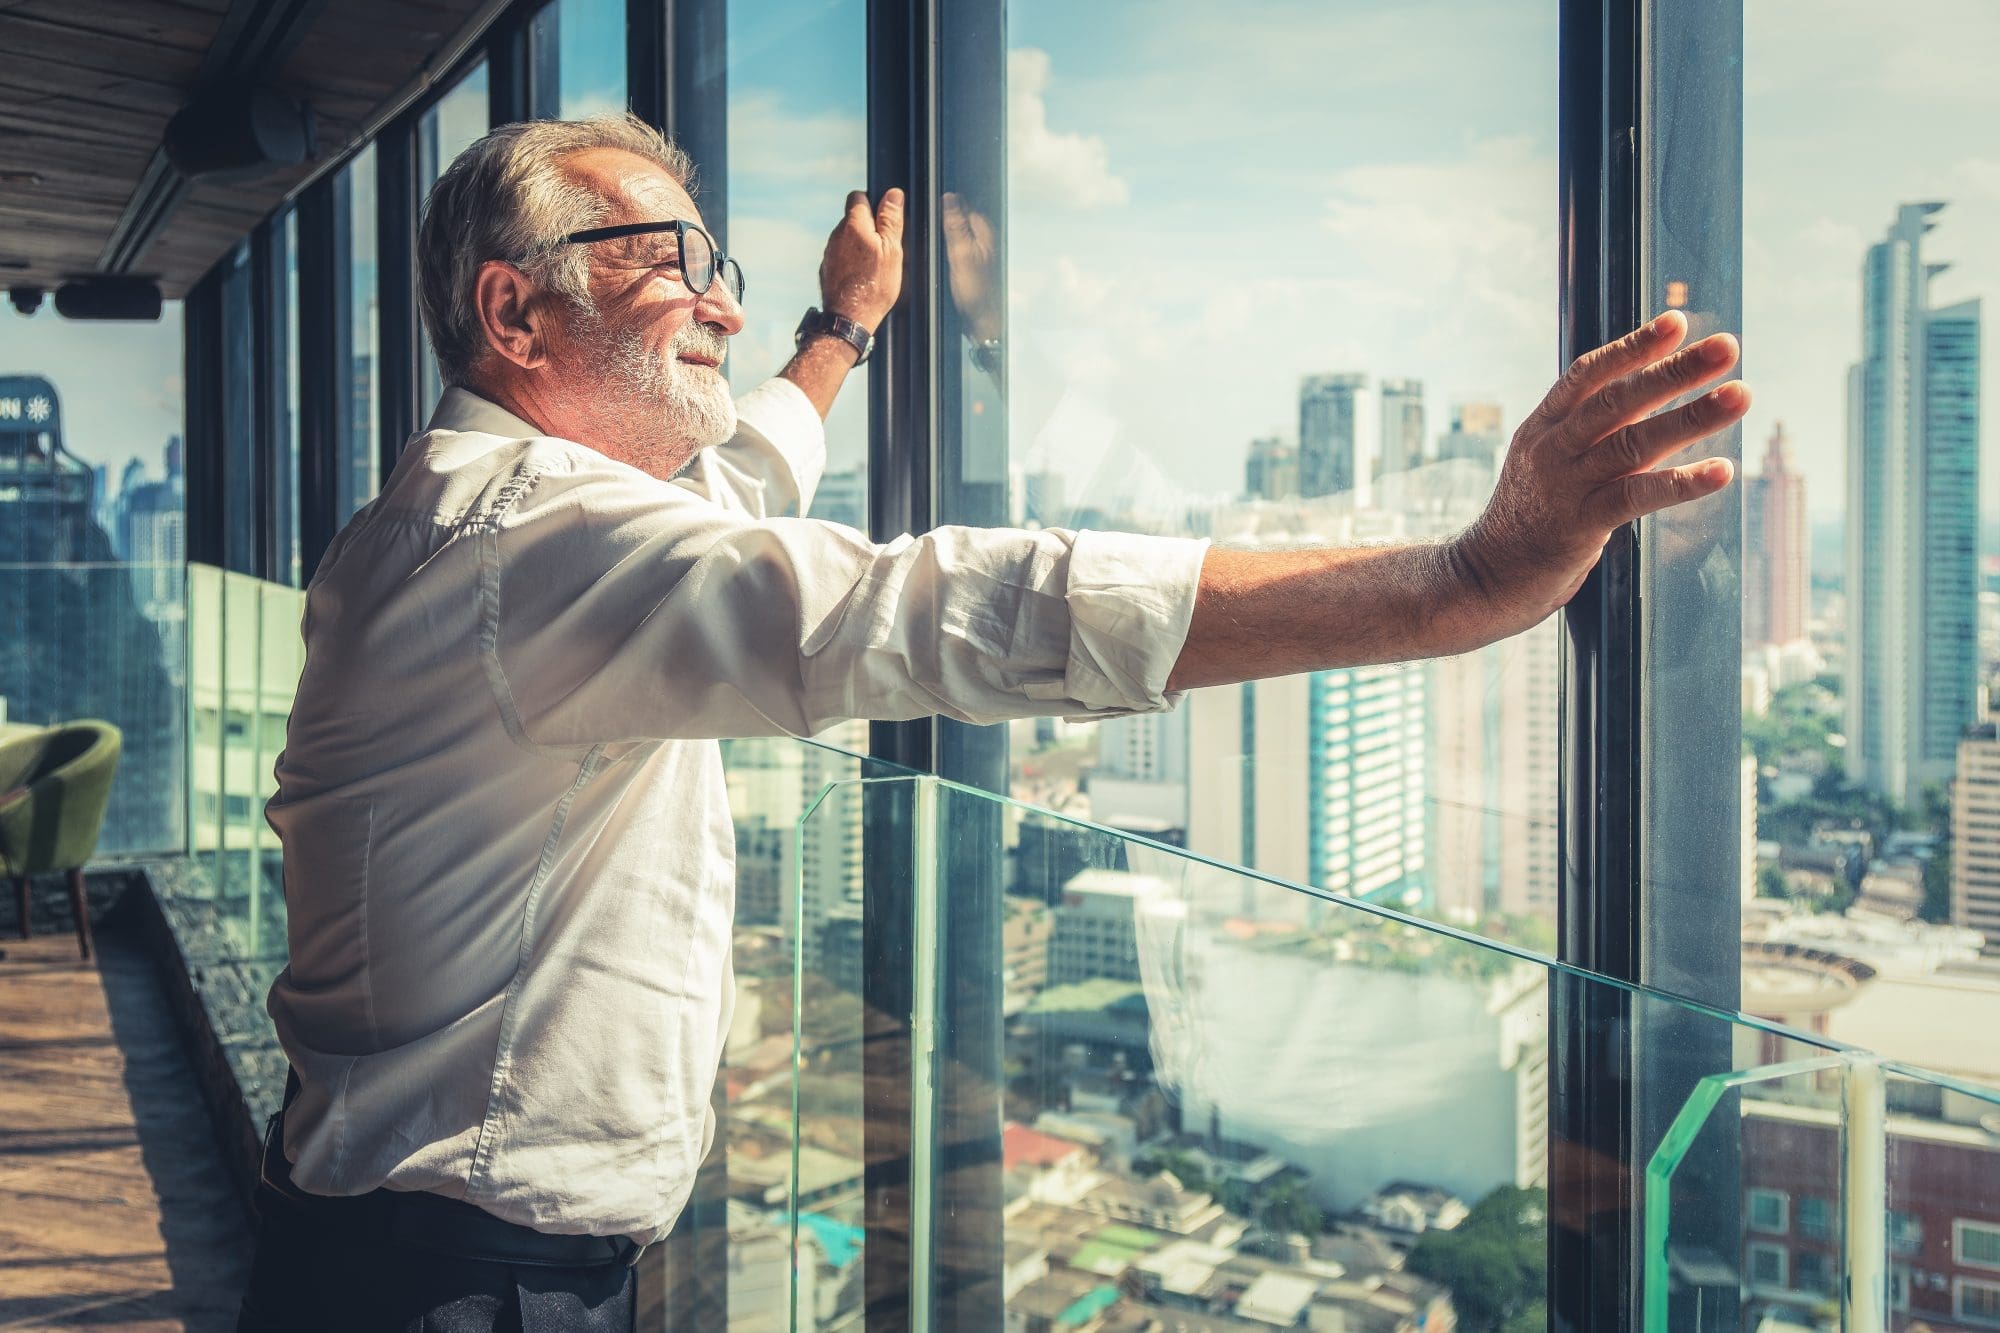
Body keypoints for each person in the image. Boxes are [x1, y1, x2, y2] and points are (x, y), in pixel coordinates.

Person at [236, 114, 1747, 1331]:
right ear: (514, 308)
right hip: (457, 1278)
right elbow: (928, 600)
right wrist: (1459, 581)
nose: (721, 300)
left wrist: (841, 325)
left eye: (724, 264)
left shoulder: (477, 528)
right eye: (667, 261)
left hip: (414, 1240)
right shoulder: (523, 546)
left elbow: (741, 483)